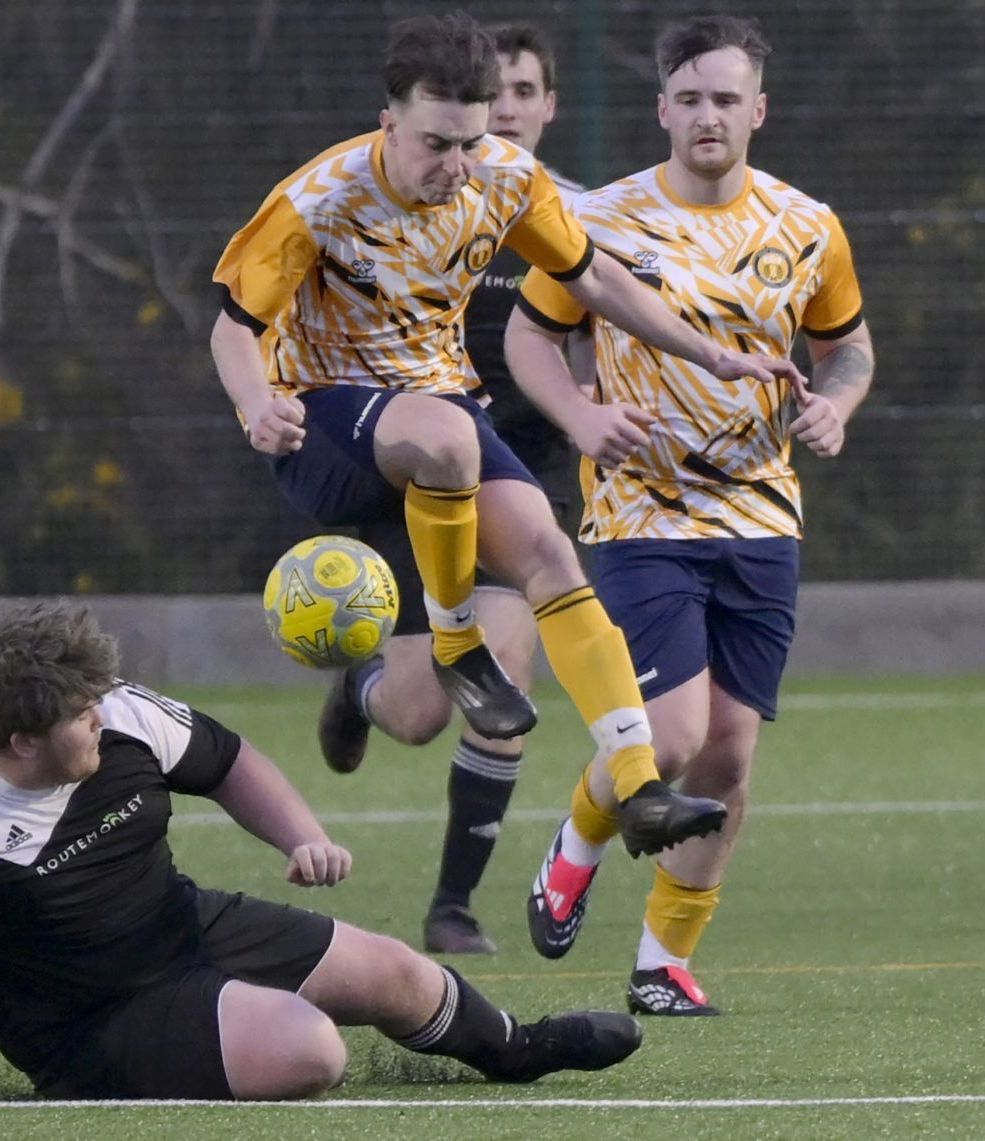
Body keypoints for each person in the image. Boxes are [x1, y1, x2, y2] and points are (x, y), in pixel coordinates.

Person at [211, 11, 806, 904]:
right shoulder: (321, 198)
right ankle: (461, 641)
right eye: (434, 143)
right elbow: (233, 327)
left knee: (545, 555)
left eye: (471, 141)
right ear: (388, 121)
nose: (454, 165)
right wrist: (257, 402)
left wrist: (711, 353)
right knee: (448, 438)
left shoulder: (503, 177)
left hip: (438, 411)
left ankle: (637, 782)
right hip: (325, 424)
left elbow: (595, 279)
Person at [0, 602, 646, 1116]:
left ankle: (518, 1048)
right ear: (20, 742)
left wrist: (301, 835)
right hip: (90, 1025)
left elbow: (225, 761)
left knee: (399, 974)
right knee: (311, 1051)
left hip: (183, 925)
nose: (100, 718)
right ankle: (239, 1025)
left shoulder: (119, 712)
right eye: (81, 715)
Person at [507, 14, 875, 1015]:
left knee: (729, 754)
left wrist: (834, 406)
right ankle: (574, 849)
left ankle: (662, 963)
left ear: (758, 109)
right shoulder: (604, 221)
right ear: (660, 106)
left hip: (762, 518)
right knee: (666, 740)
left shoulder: (807, 224)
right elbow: (528, 338)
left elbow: (850, 347)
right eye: (690, 97)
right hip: (640, 514)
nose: (708, 115)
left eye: (727, 98)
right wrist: (580, 416)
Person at [323, 23, 591, 956]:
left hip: (524, 473)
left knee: (505, 676)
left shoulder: (570, 212)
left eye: (526, 91)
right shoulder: (403, 197)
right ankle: (360, 688)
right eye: (496, 95)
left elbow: (632, 306)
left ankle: (454, 905)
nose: (508, 110)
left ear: (549, 105)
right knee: (417, 712)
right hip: (416, 469)